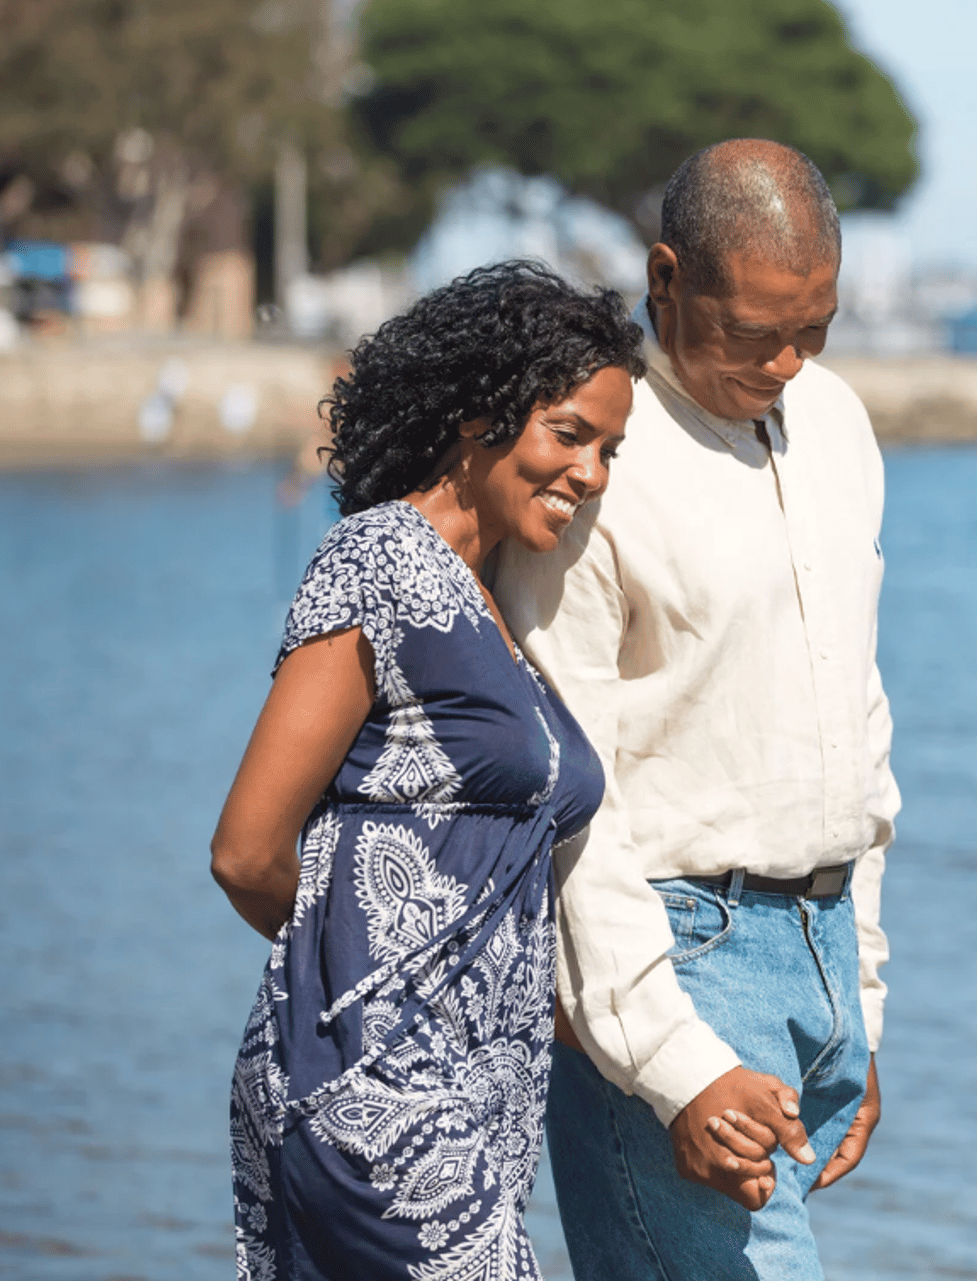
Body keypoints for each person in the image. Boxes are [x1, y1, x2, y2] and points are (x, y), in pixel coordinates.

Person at [210, 262, 780, 1279]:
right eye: (569, 434)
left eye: (609, 449)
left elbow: (486, 898)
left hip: (476, 1103)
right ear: (480, 417)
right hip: (374, 1087)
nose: (592, 473)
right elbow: (248, 852)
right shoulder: (379, 561)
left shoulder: (496, 604)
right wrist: (370, 977)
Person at [495, 139, 900, 1278]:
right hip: (675, 963)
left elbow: (857, 724)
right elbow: (568, 788)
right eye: (755, 332)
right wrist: (673, 1065)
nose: (788, 362)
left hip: (820, 953)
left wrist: (858, 1006)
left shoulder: (837, 423)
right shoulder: (591, 457)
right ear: (665, 279)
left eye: (815, 327)